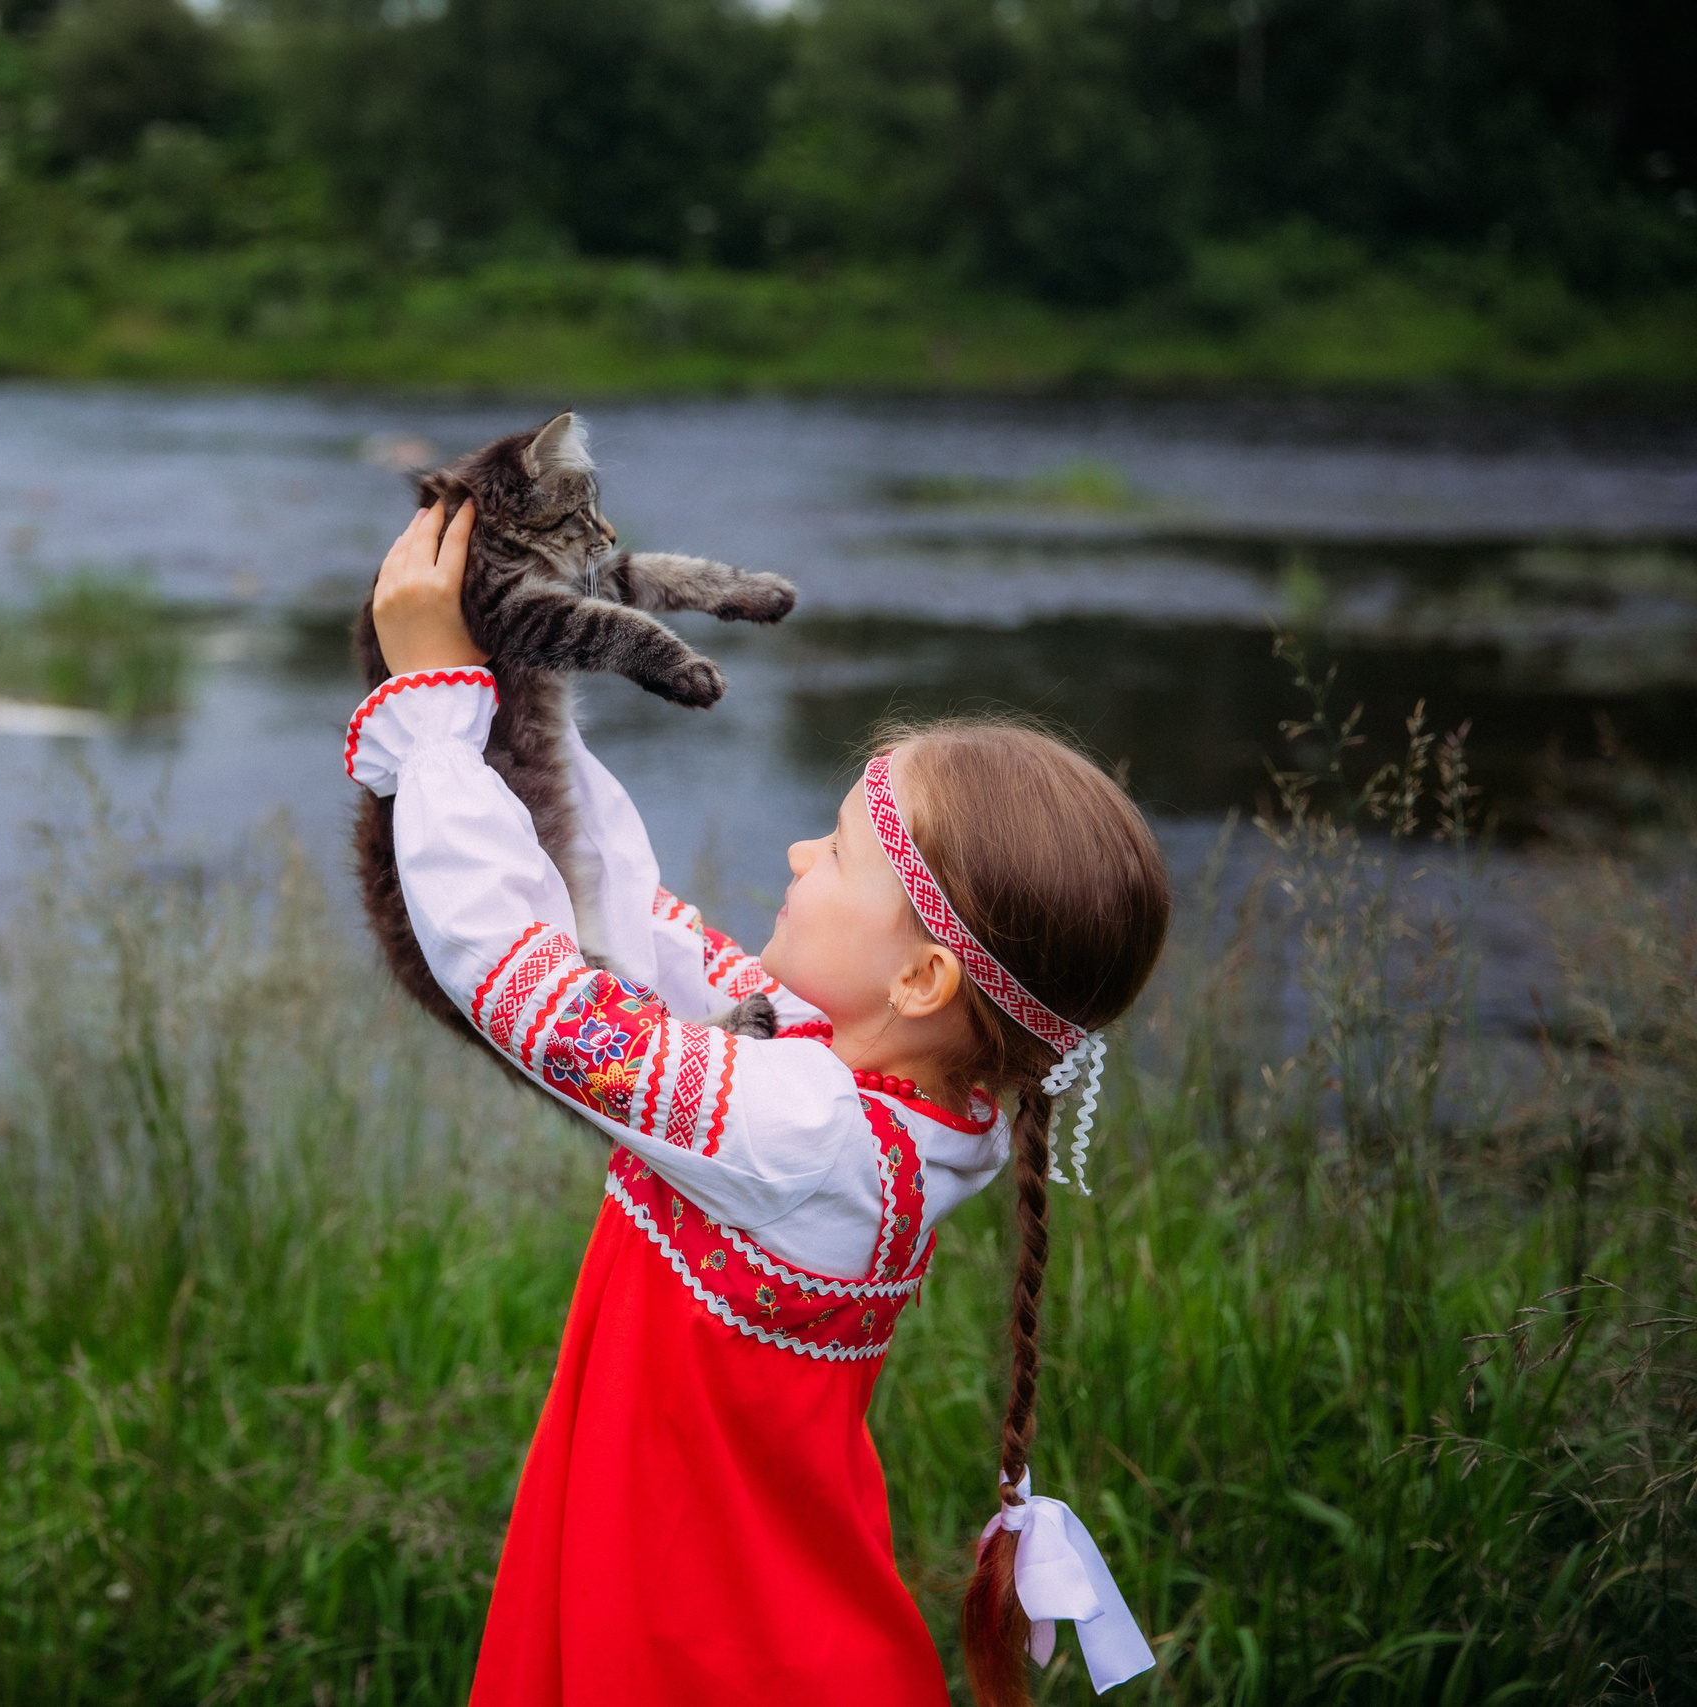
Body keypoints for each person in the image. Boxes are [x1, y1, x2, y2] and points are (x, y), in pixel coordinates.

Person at [344, 501, 1174, 1706]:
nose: (795, 857)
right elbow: (624, 912)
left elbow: (519, 982)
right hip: (735, 1599)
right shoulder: (881, 1089)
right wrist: (506, 677)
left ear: (923, 978)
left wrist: (432, 716)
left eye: (835, 854)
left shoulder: (801, 1131)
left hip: (696, 1633)